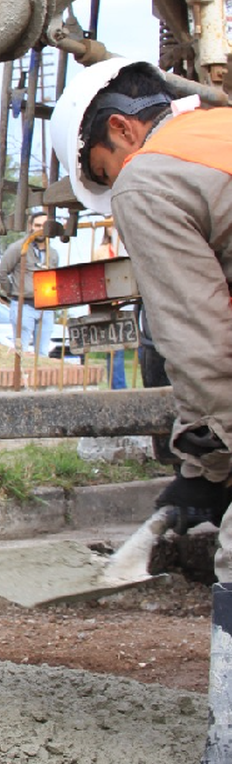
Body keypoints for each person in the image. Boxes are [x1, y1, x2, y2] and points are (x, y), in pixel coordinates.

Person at [48, 57, 232, 571]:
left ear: (121, 128)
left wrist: (206, 465)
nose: (116, 189)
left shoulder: (148, 177)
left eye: (105, 172)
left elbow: (198, 335)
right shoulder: (221, 129)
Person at [0, 211, 59, 354]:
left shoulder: (52, 254)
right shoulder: (19, 248)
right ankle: (20, 376)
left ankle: (37, 377)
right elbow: (1, 273)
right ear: (31, 226)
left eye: (45, 226)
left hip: (46, 308)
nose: (41, 229)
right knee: (20, 351)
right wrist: (14, 291)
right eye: (37, 225)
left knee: (42, 353)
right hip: (24, 306)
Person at [91, 227, 128, 390]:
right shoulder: (100, 251)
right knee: (114, 348)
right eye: (110, 224)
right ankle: (118, 386)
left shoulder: (129, 248)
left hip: (127, 303)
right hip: (108, 305)